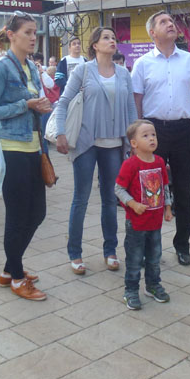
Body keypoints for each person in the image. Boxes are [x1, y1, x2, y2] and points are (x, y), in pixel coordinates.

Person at [0, 12, 50, 301]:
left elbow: (35, 102)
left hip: (33, 148)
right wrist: (26, 105)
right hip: (12, 150)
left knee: (38, 213)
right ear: (11, 35)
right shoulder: (1, 68)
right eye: (28, 32)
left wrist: (40, 106)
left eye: (35, 32)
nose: (34, 38)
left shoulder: (30, 66)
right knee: (18, 215)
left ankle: (10, 269)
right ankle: (18, 278)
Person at [56, 27, 138, 275]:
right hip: (86, 142)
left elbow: (131, 108)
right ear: (95, 45)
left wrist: (134, 140)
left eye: (114, 37)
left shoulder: (123, 74)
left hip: (114, 144)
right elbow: (63, 102)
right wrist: (60, 132)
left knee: (110, 199)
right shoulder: (83, 70)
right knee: (80, 198)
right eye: (106, 38)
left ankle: (110, 250)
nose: (112, 41)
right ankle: (75, 252)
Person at [132, 10, 190, 266]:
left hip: (183, 131)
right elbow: (136, 101)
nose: (171, 24)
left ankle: (182, 245)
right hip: (153, 131)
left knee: (184, 191)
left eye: (171, 21)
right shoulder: (143, 64)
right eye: (163, 22)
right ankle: (150, 247)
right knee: (150, 191)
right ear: (152, 33)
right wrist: (138, 136)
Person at [115, 119, 172, 309]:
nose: (151, 138)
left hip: (155, 223)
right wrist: (132, 203)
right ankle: (130, 290)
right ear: (134, 143)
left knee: (154, 258)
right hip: (136, 224)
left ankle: (153, 285)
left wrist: (168, 208)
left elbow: (165, 186)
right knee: (134, 259)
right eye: (145, 136)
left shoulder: (160, 162)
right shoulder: (130, 164)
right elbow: (118, 189)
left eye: (153, 134)